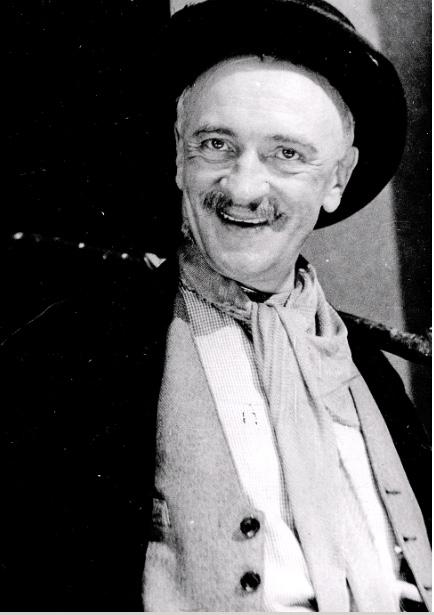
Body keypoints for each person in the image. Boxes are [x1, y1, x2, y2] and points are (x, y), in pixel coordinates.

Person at [1, 0, 431, 612]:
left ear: (337, 179)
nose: (243, 187)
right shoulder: (71, 354)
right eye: (216, 145)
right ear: (180, 158)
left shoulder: (370, 373)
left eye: (287, 154)